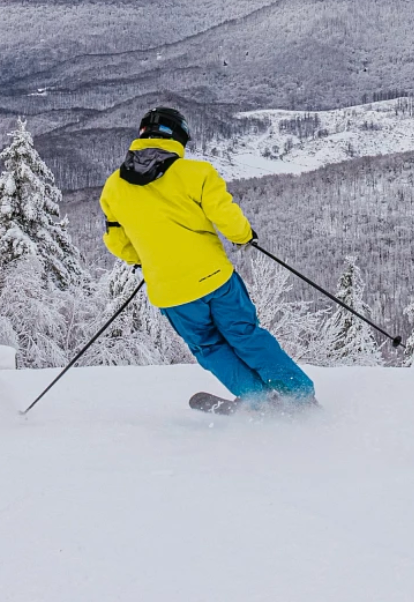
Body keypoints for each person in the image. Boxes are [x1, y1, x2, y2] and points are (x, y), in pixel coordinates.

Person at [100, 105, 315, 409]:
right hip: (215, 278)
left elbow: (116, 242)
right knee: (245, 335)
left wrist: (145, 259)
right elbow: (225, 216)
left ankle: (258, 400)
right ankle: (298, 395)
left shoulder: (113, 187)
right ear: (177, 137)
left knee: (210, 347)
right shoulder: (196, 173)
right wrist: (243, 236)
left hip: (171, 292)